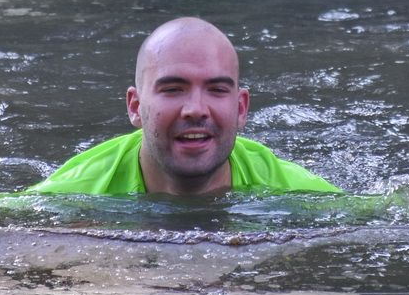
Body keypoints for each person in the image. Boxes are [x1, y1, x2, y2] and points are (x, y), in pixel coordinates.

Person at [23, 17, 341, 196]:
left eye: (217, 90)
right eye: (173, 89)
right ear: (135, 107)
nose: (196, 110)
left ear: (241, 109)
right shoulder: (74, 195)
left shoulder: (297, 194)